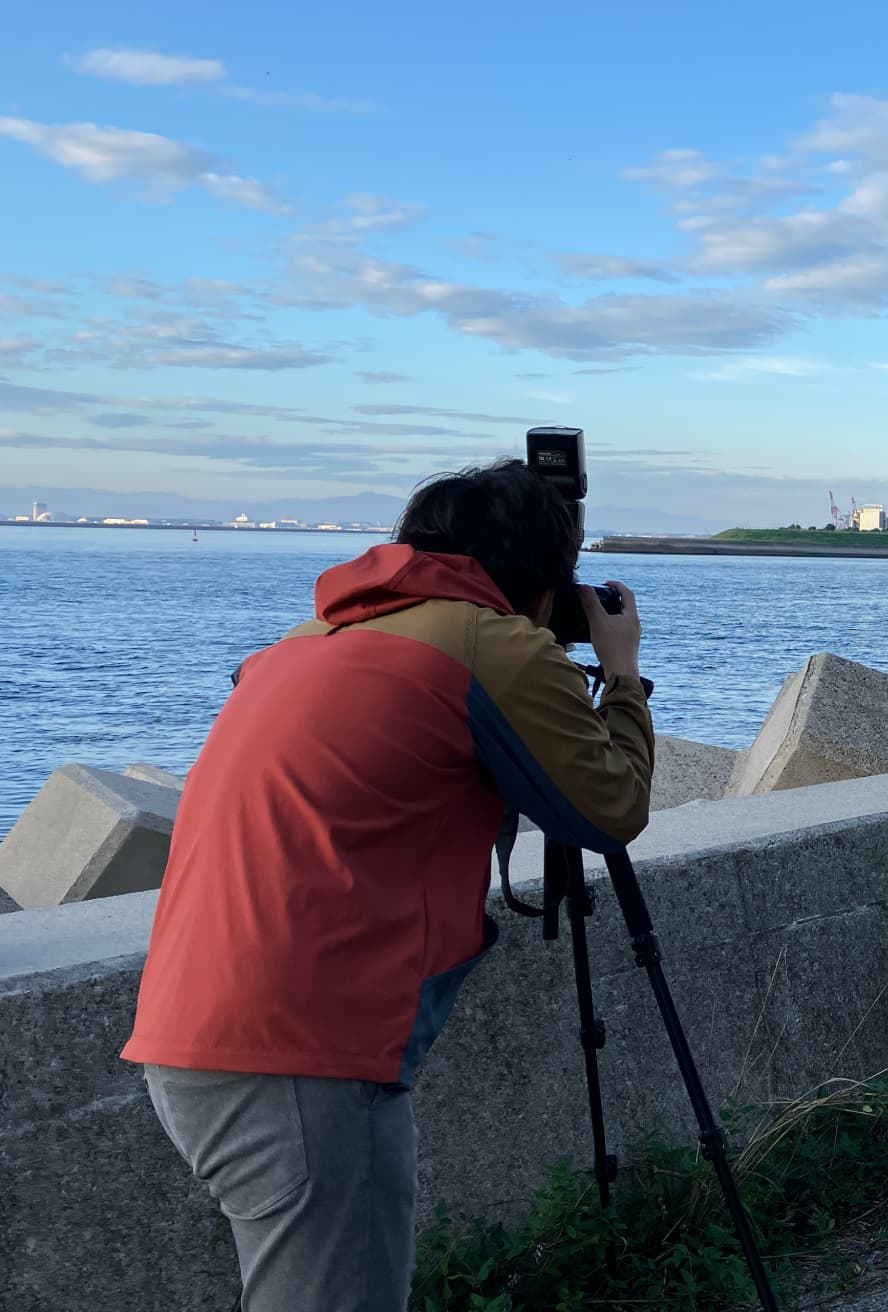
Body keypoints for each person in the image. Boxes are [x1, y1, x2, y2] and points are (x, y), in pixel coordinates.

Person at [122, 458, 655, 1311]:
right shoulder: (490, 641)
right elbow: (610, 809)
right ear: (543, 582)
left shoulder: (305, 643)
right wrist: (622, 675)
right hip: (304, 1055)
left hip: (194, 1037)